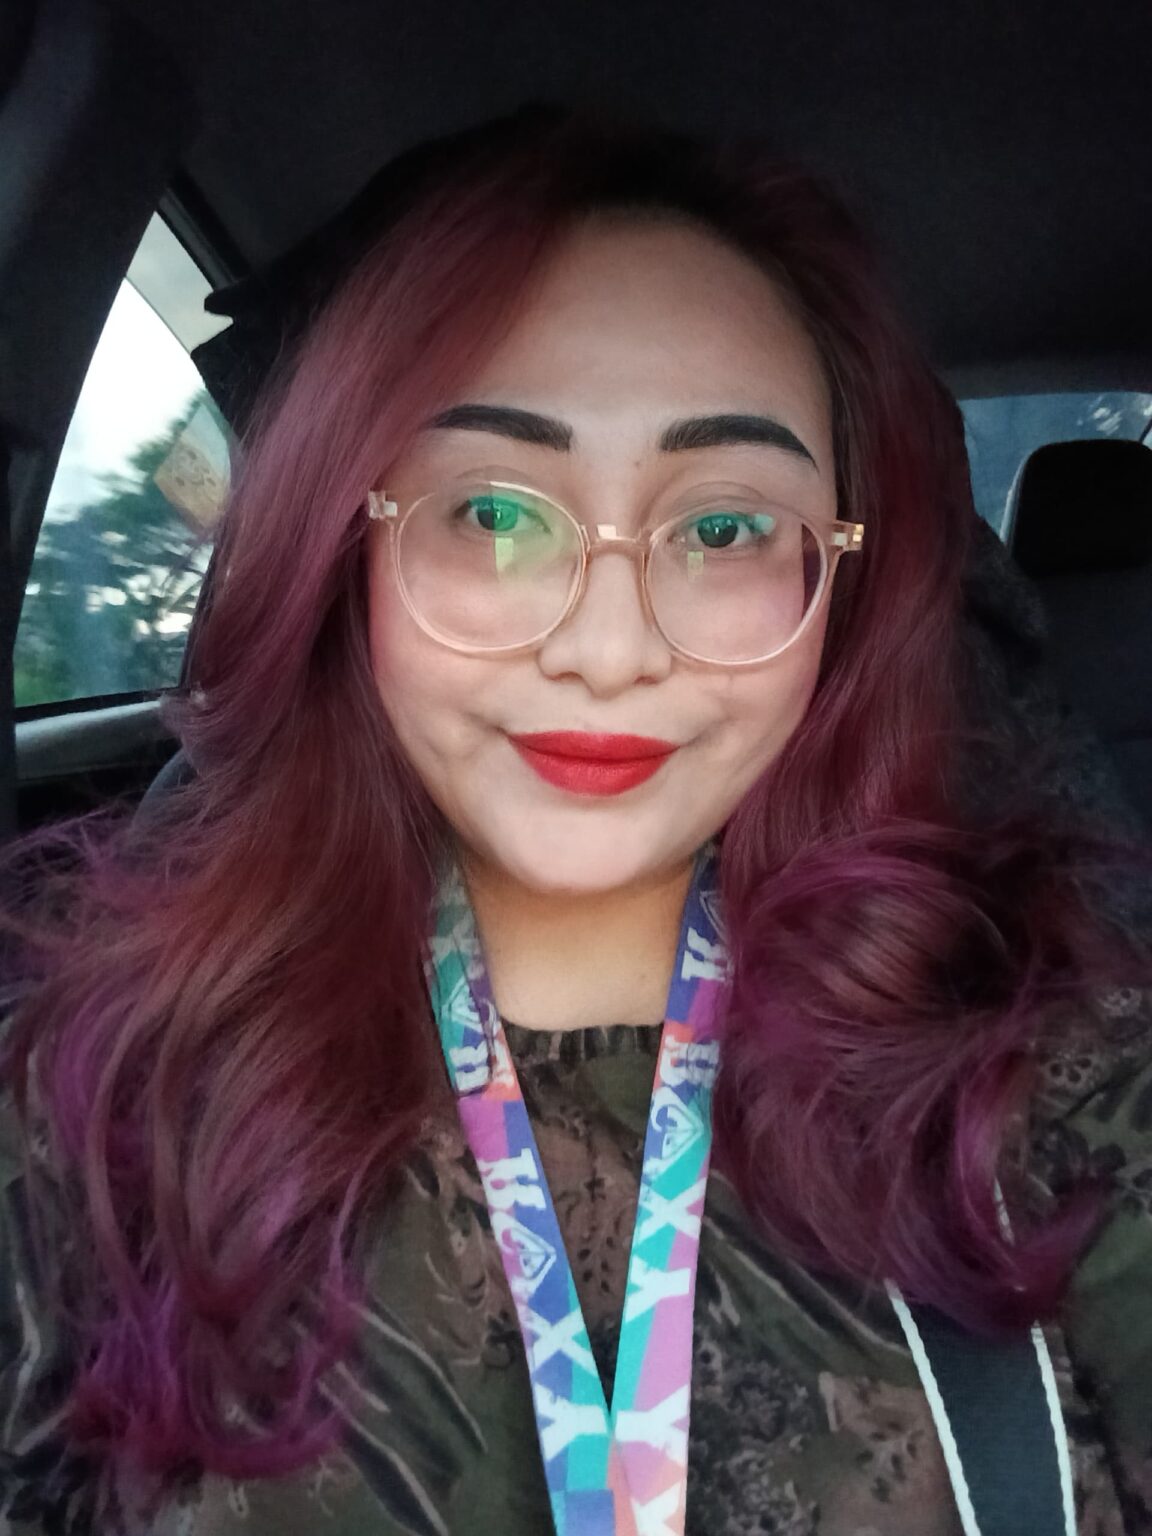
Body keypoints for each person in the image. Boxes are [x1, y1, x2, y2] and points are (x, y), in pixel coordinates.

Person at [0, 102, 1150, 1536]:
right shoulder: (101, 1108)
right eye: (494, 514)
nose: (608, 651)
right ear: (348, 550)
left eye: (723, 529)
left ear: (835, 592)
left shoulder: (1056, 1072)